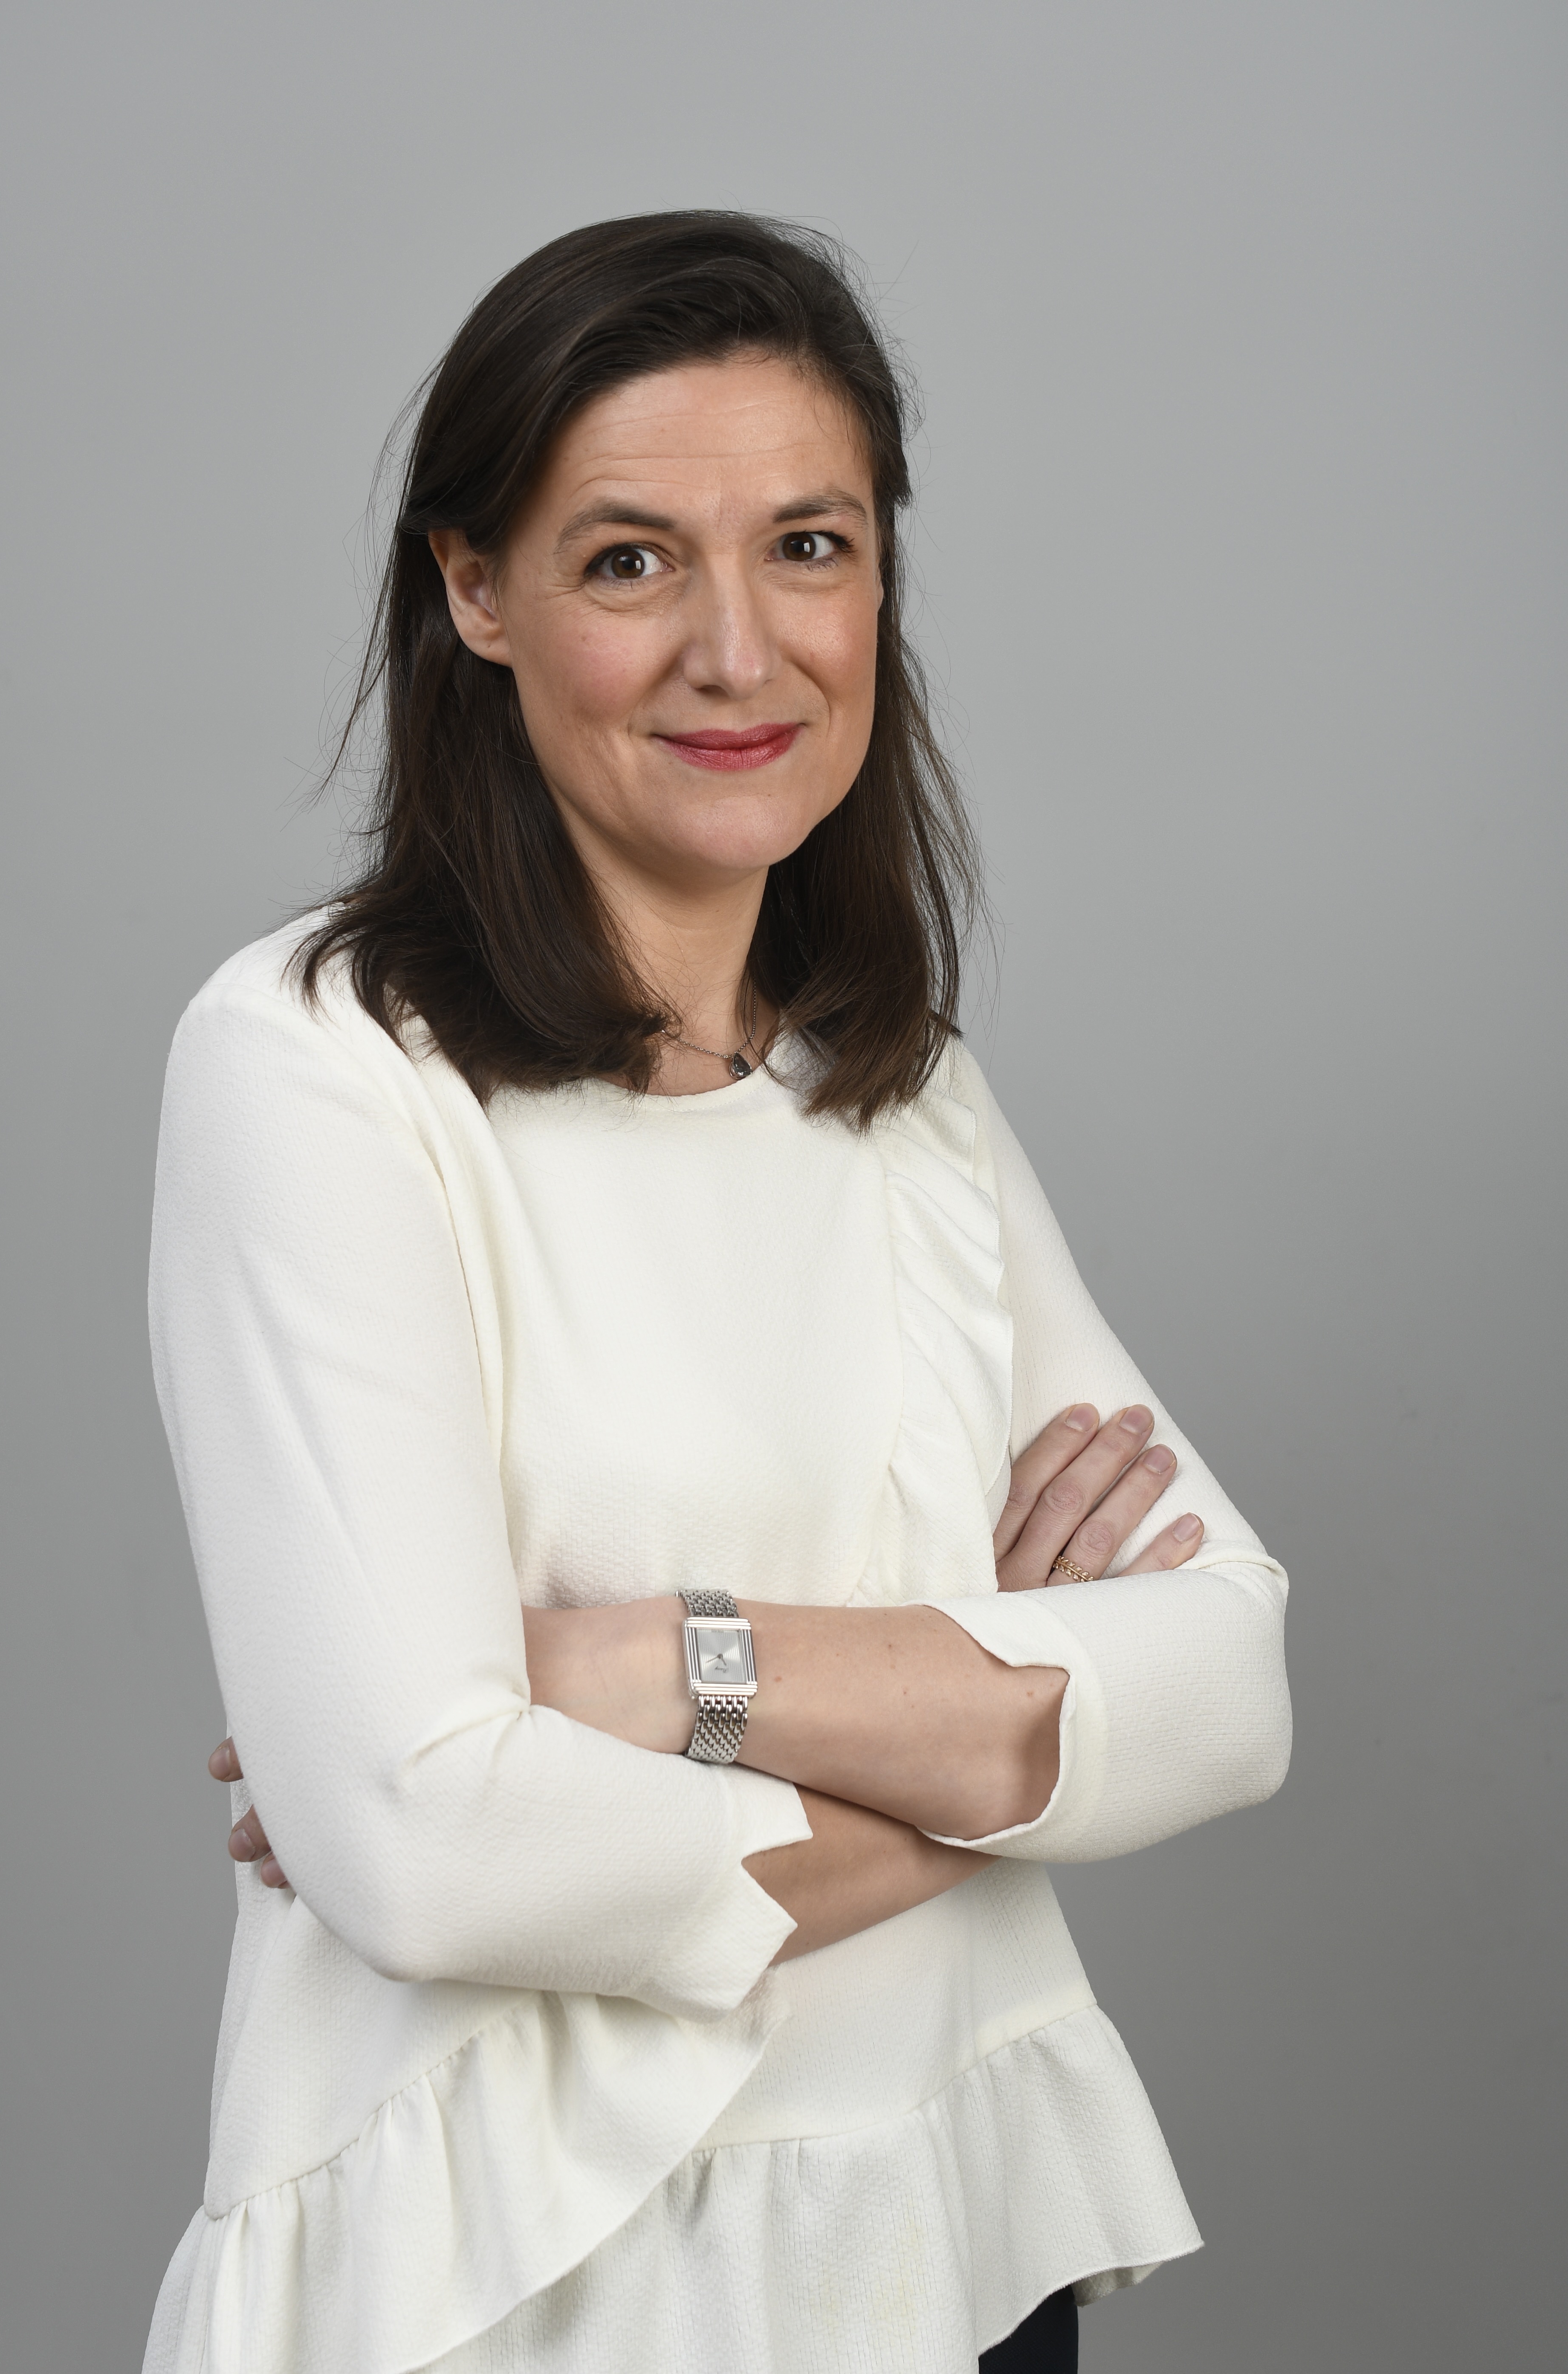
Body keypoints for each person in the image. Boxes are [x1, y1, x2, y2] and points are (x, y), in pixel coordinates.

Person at [144, 212, 1291, 2374]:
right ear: (473, 590)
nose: (740, 652)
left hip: (951, 2252)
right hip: (540, 2289)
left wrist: (645, 1672)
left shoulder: (906, 1102)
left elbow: (1229, 1683)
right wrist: (1004, 1752)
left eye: (810, 547)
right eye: (628, 561)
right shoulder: (320, 1067)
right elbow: (428, 1851)